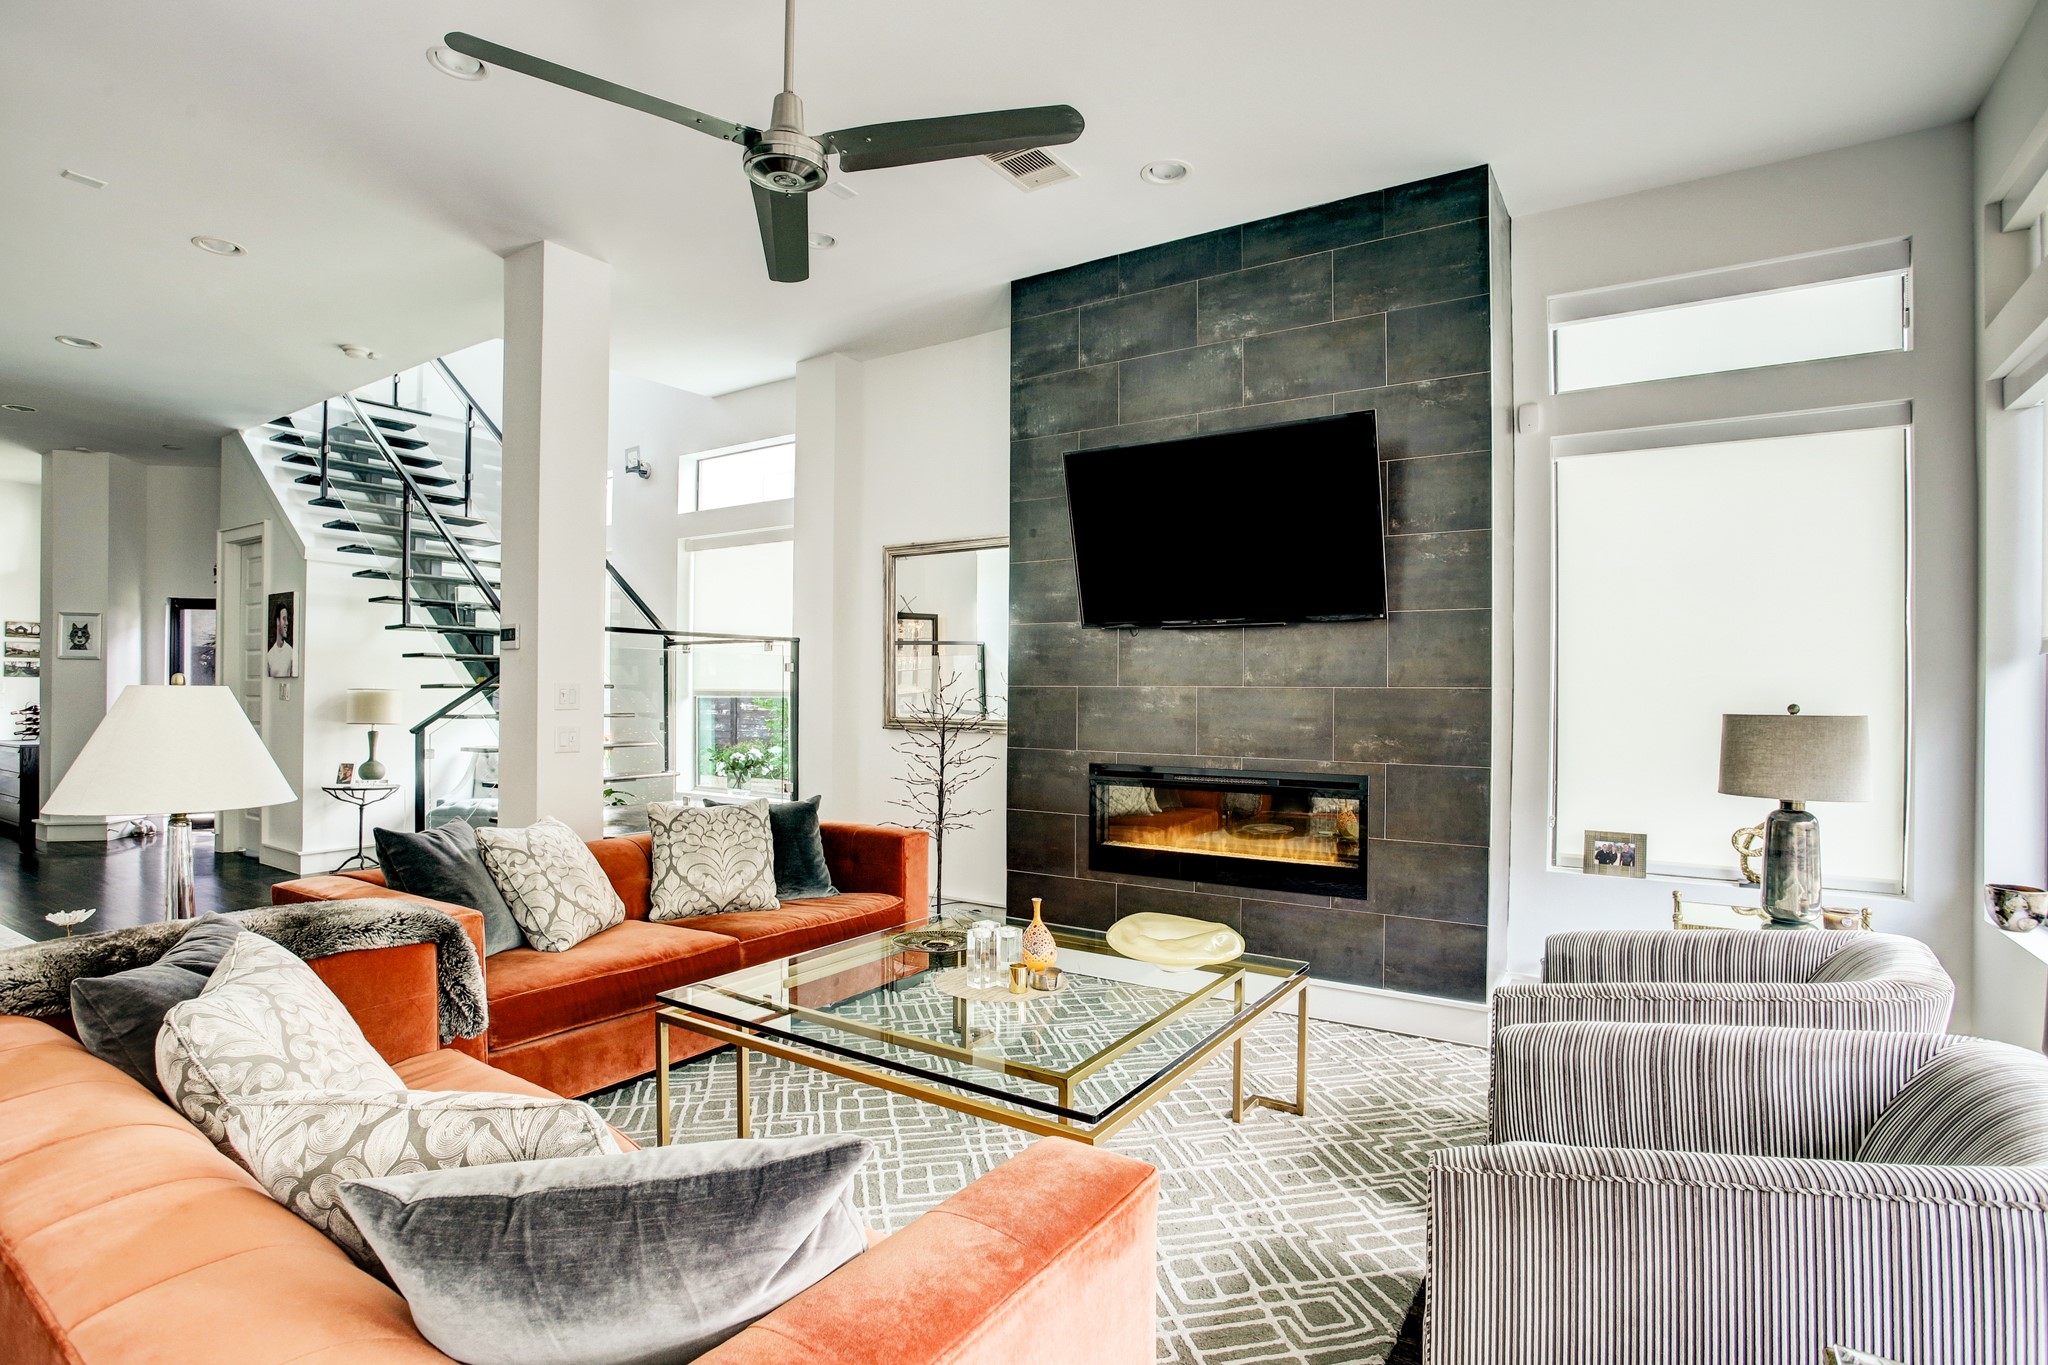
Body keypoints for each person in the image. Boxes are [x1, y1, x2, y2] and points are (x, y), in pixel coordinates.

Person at [266, 600, 294, 678]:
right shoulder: (269, 656)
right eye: (284, 619)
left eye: (287, 619)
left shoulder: (290, 652)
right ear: (278, 621)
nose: (287, 623)